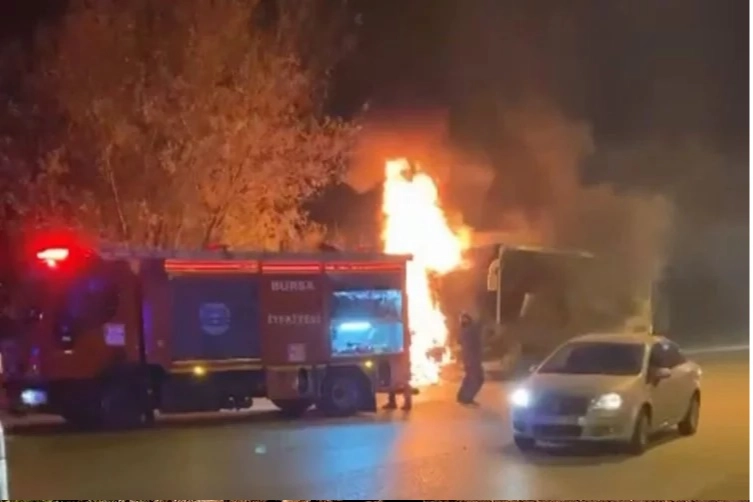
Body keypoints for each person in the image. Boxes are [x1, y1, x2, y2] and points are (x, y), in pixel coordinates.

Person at [457, 311, 485, 405]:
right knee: (477, 379)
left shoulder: (465, 331)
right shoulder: (469, 331)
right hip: (472, 360)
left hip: (469, 359)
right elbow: (471, 346)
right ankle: (466, 398)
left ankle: (462, 397)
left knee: (470, 378)